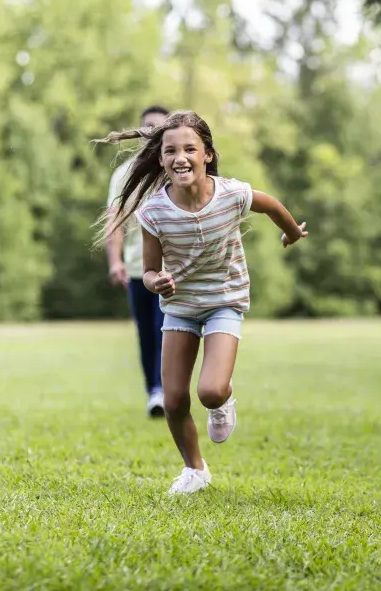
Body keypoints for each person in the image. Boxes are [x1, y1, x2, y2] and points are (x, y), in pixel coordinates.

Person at [98, 110, 308, 494]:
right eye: (170, 151)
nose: (181, 157)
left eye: (190, 149)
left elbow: (273, 205)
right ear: (160, 159)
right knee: (174, 398)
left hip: (224, 300)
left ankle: (223, 401)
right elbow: (147, 271)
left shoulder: (230, 194)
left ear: (207, 154)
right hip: (180, 306)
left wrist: (291, 234)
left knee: (210, 391)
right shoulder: (154, 211)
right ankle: (195, 470)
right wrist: (155, 280)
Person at [106, 105, 170, 418]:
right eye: (147, 126)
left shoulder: (176, 166)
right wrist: (114, 261)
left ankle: (166, 389)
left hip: (173, 270)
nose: (151, 131)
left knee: (166, 331)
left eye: (159, 126)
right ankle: (154, 391)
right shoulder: (124, 173)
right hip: (136, 268)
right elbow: (114, 219)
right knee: (146, 333)